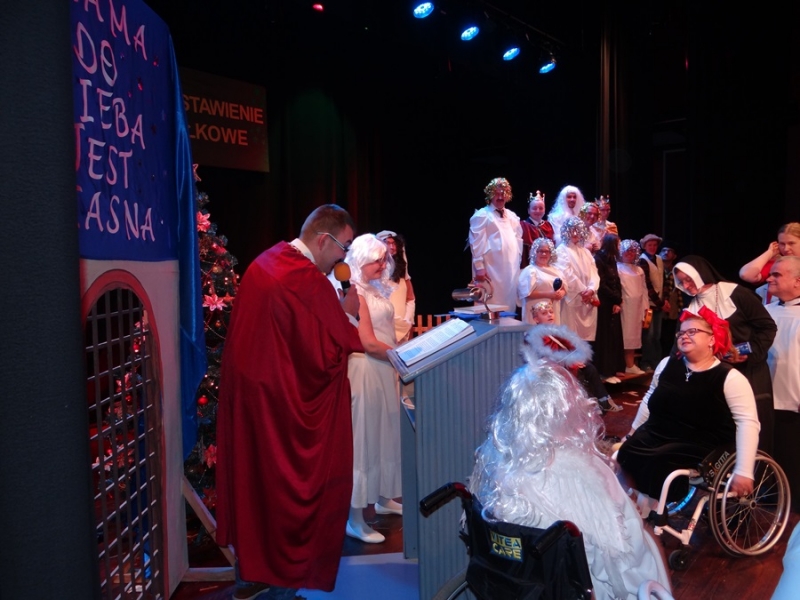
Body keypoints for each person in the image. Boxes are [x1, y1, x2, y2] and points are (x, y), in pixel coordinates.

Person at [215, 205, 363, 600]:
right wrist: (348, 316)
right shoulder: (306, 281)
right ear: (323, 240)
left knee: (255, 488)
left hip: (251, 402)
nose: (343, 259)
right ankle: (281, 587)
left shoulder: (266, 261)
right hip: (282, 407)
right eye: (344, 248)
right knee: (284, 494)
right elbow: (327, 355)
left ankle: (250, 577)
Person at [469, 329, 671, 599]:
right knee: (648, 543)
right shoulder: (587, 473)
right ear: (572, 407)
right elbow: (620, 560)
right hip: (576, 585)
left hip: (514, 577)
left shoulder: (494, 457)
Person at [617, 307, 760, 513]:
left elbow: (748, 423)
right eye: (681, 332)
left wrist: (744, 470)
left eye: (692, 331)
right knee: (625, 451)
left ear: (712, 339)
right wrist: (632, 432)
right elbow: (649, 399)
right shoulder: (666, 365)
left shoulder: (731, 378)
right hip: (659, 433)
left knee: (657, 461)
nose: (684, 336)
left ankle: (646, 516)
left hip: (699, 443)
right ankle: (630, 510)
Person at [673, 255, 777, 454]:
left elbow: (767, 327)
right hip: (715, 377)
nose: (686, 285)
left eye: (688, 279)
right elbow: (677, 347)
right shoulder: (690, 308)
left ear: (700, 274)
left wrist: (750, 352)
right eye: (681, 282)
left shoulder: (736, 294)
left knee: (752, 428)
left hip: (749, 372)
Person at [340, 234, 403, 543]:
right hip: (366, 369)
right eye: (376, 259)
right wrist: (402, 356)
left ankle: (383, 497)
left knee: (384, 435)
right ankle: (354, 519)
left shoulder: (375, 288)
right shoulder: (354, 292)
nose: (382, 263)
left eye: (383, 259)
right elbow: (366, 342)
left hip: (383, 368)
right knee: (364, 440)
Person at [529, 300, 621, 412]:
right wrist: (571, 362)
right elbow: (549, 356)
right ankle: (584, 403)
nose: (549, 315)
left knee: (590, 368)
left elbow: (571, 347)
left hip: (564, 363)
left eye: (551, 312)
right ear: (536, 319)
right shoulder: (537, 335)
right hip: (551, 367)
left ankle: (603, 400)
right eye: (544, 313)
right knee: (579, 371)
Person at [764, 255, 800, 512]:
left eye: (777, 274)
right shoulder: (765, 311)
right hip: (765, 398)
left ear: (798, 281)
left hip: (794, 401)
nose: (769, 278)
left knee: (793, 458)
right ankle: (769, 500)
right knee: (769, 455)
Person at [468, 177, 523, 312]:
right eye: (496, 194)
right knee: (490, 301)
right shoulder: (482, 215)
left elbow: (518, 240)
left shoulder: (512, 216)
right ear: (490, 195)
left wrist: (518, 263)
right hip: (491, 268)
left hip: (510, 268)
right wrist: (479, 267)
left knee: (508, 303)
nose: (500, 197)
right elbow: (476, 242)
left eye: (503, 193)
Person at [555, 217, 600, 341]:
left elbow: (594, 272)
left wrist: (591, 289)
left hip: (588, 299)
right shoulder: (561, 250)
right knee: (571, 338)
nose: (575, 233)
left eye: (577, 230)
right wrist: (583, 291)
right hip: (572, 298)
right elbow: (566, 273)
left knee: (586, 340)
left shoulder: (586, 252)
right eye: (571, 230)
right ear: (566, 231)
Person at [739, 222, 800, 304]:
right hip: (777, 309)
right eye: (782, 244)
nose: (786, 249)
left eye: (791, 243)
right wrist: (770, 252)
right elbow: (746, 274)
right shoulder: (778, 265)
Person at [593, 234, 625, 382]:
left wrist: (618, 301)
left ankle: (614, 368)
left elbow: (617, 281)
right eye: (618, 244)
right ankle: (605, 371)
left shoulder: (612, 259)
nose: (619, 247)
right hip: (604, 302)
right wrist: (615, 299)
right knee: (605, 336)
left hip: (613, 301)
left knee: (614, 336)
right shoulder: (599, 259)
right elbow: (602, 283)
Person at [376, 230, 415, 344]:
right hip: (383, 330)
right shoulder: (375, 277)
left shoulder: (403, 276)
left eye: (394, 243)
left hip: (403, 332)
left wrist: (407, 320)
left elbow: (410, 299)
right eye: (388, 243)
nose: (392, 247)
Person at [638, 234, 670, 372]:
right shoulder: (642, 261)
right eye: (649, 245)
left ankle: (657, 362)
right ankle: (646, 362)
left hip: (659, 303)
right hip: (649, 304)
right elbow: (647, 285)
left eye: (655, 245)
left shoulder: (659, 259)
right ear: (644, 246)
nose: (652, 247)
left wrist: (666, 299)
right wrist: (660, 303)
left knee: (657, 335)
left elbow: (664, 280)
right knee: (648, 335)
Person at [517, 237, 567, 325]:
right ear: (535, 252)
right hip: (535, 313)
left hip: (553, 310)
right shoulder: (530, 271)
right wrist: (549, 294)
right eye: (540, 251)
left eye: (547, 251)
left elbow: (564, 287)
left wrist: (561, 293)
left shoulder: (556, 271)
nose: (544, 254)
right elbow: (527, 293)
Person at [617, 240, 649, 375]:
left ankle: (630, 364)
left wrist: (646, 307)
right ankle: (621, 364)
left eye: (632, 251)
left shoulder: (639, 270)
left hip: (637, 308)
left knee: (634, 336)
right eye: (627, 251)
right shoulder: (617, 268)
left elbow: (644, 290)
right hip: (625, 307)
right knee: (624, 335)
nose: (630, 253)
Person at [520, 190, 554, 269]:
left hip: (547, 265)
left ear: (545, 210)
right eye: (534, 208)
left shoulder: (548, 225)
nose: (538, 211)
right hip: (528, 266)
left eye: (541, 208)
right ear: (528, 210)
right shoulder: (522, 225)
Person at [659, 246, 682, 358]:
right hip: (658, 306)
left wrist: (680, 309)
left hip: (672, 308)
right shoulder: (656, 269)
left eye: (670, 251)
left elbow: (680, 292)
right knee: (656, 336)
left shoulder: (677, 271)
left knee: (669, 335)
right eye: (664, 250)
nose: (666, 252)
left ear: (675, 256)